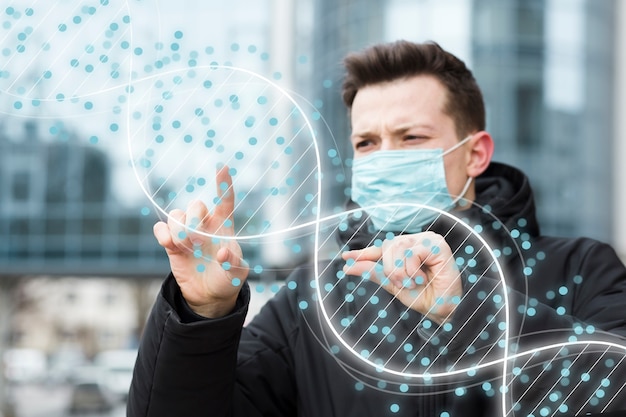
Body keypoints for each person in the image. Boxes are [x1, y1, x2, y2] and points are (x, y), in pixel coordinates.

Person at [127, 40, 626, 417]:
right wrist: (199, 317)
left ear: (475, 153)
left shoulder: (582, 269)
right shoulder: (312, 303)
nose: (385, 156)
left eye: (411, 137)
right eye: (367, 143)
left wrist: (473, 315)